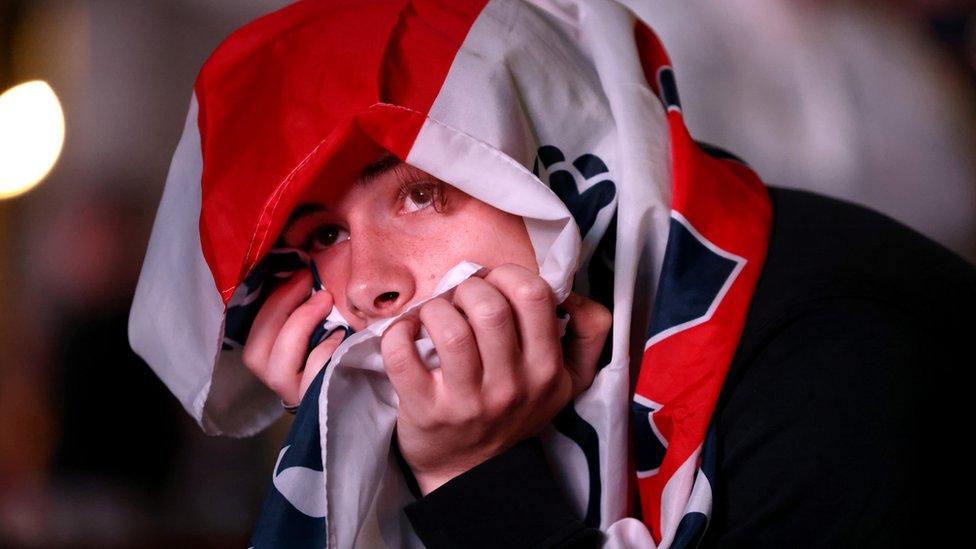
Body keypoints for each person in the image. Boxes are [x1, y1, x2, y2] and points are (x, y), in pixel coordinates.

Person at [127, 0, 976, 547]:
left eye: (422, 192)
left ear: (564, 165)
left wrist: (474, 478)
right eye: (317, 242)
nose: (363, 289)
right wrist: (347, 449)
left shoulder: (837, 366)